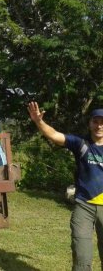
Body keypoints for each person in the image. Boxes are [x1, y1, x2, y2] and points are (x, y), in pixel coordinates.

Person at [28, 101, 103, 271]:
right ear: (90, 123)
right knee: (81, 253)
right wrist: (39, 122)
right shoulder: (81, 143)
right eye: (96, 122)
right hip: (84, 205)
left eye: (102, 123)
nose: (99, 126)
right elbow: (55, 135)